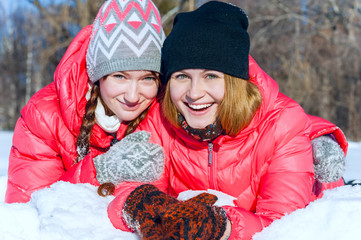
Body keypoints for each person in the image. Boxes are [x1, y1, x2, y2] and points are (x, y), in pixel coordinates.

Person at [116, 1, 348, 240]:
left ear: (234, 81)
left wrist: (220, 225)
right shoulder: (159, 120)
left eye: (211, 76)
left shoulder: (282, 126)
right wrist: (142, 203)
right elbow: (125, 187)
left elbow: (285, 226)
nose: (194, 93)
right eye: (182, 76)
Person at [5, 0, 167, 203]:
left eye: (148, 78)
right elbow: (29, 209)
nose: (133, 96)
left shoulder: (164, 115)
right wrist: (101, 171)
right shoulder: (44, 116)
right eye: (120, 76)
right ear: (97, 74)